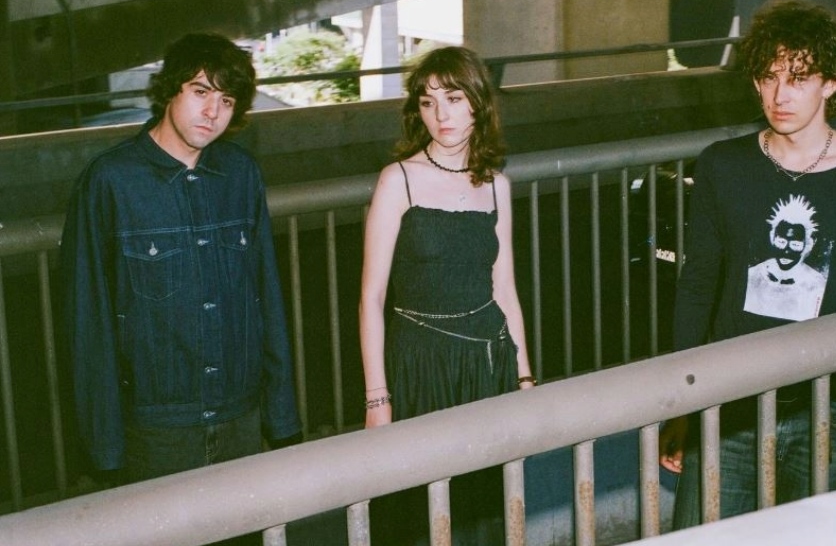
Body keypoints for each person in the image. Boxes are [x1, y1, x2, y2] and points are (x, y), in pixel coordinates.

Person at [659, 0, 836, 527]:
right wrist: (682, 401)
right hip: (729, 403)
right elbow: (698, 284)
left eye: (798, 77)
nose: (780, 94)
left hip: (831, 409)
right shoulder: (722, 166)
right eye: (769, 77)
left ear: (831, 82)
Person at [61, 32, 302, 489]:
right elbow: (88, 322)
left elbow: (265, 298)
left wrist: (281, 415)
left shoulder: (240, 174)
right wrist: (105, 448)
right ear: (170, 89)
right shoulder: (110, 181)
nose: (212, 112)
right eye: (200, 92)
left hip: (240, 419)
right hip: (157, 432)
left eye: (227, 100)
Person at [359, 45, 534, 543]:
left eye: (454, 99)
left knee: (484, 517)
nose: (442, 115)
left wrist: (523, 377)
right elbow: (371, 297)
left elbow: (505, 287)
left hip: (485, 363)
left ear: (477, 102)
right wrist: (378, 400)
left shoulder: (498, 185)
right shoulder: (399, 180)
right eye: (428, 102)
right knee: (418, 519)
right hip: (419, 365)